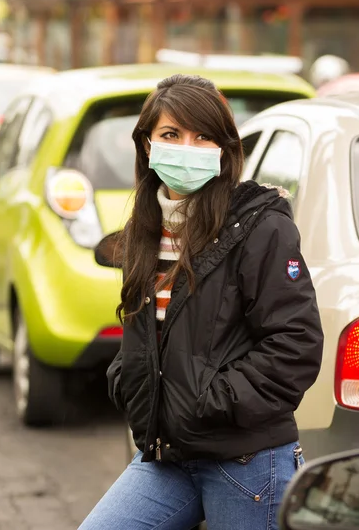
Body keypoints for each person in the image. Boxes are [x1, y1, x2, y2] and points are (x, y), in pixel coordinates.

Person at [79, 74, 324, 530]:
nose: (187, 147)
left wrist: (207, 402)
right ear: (148, 145)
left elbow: (296, 344)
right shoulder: (144, 232)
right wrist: (130, 380)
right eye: (171, 134)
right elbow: (148, 332)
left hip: (246, 462)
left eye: (203, 135)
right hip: (168, 455)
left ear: (223, 149)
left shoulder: (260, 227)